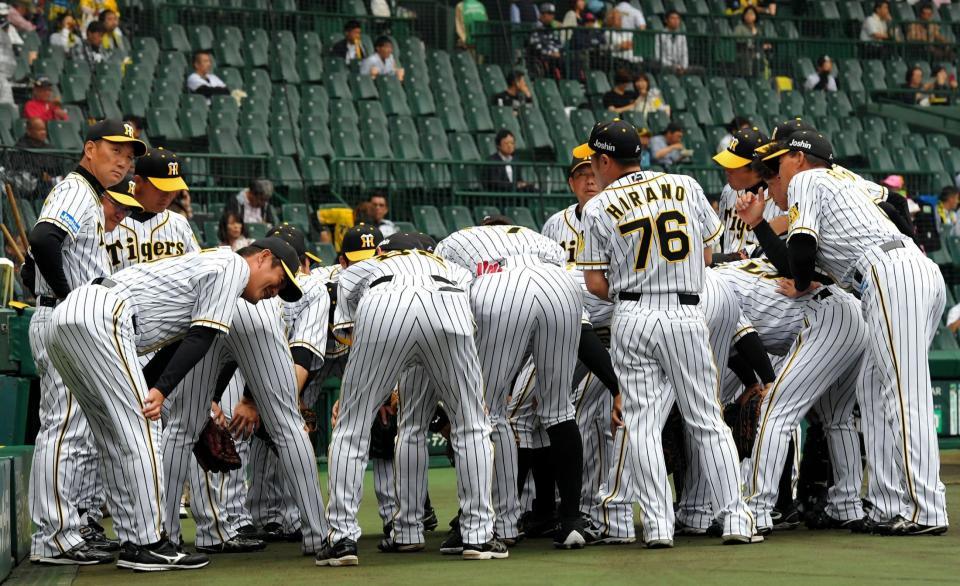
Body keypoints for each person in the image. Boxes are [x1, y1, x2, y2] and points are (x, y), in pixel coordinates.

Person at [46, 237, 301, 571]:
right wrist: (162, 392)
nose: (276, 291)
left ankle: (130, 540)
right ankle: (149, 541)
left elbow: (176, 342)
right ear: (264, 257)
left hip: (68, 316)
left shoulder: (209, 266)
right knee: (144, 428)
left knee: (112, 438)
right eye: (279, 280)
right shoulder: (234, 265)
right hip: (104, 316)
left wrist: (154, 386)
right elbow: (201, 337)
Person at [752, 130, 948, 535]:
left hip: (889, 275)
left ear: (800, 159)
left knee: (901, 393)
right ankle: (886, 503)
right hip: (907, 271)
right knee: (872, 391)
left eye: (781, 161)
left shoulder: (808, 179)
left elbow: (802, 252)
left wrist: (803, 282)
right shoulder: (846, 178)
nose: (777, 172)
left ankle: (925, 509)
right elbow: (895, 203)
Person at [575, 118, 760, 547]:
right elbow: (710, 253)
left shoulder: (598, 206)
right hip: (685, 312)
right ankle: (734, 518)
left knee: (639, 424)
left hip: (632, 314)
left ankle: (658, 526)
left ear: (604, 160)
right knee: (706, 419)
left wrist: (629, 285)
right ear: (637, 153)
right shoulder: (685, 184)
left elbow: (594, 284)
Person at [321, 231, 505, 564]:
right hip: (448, 304)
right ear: (429, 251)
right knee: (472, 425)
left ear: (382, 250)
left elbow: (349, 331)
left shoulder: (366, 266)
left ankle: (349, 539)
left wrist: (368, 389)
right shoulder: (452, 266)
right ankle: (478, 535)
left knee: (355, 427)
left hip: (384, 305)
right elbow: (472, 319)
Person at [25, 119, 146, 566]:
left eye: (130, 155)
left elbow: (33, 258)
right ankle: (54, 536)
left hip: (62, 320)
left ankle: (69, 528)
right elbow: (42, 239)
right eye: (116, 150)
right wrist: (71, 298)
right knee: (64, 427)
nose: (123, 161)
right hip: (63, 321)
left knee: (75, 429)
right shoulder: (77, 188)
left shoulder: (86, 195)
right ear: (89, 147)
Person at [435, 217, 587, 550]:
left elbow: (448, 297)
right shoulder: (535, 236)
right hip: (560, 285)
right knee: (560, 409)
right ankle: (572, 520)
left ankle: (492, 522)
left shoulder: (454, 239)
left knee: (486, 413)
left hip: (499, 284)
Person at [732, 6, 770, 77]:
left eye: (752, 14)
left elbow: (762, 41)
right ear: (744, 16)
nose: (749, 16)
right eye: (747, 14)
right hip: (744, 53)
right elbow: (737, 40)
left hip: (758, 54)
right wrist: (749, 44)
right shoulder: (739, 28)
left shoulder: (759, 29)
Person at [527, 3, 562, 76]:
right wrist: (550, 53)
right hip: (544, 58)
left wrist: (557, 52)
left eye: (552, 14)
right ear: (542, 14)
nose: (552, 16)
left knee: (571, 61)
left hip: (556, 57)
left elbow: (558, 43)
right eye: (549, 13)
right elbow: (536, 47)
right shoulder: (535, 28)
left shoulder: (551, 28)